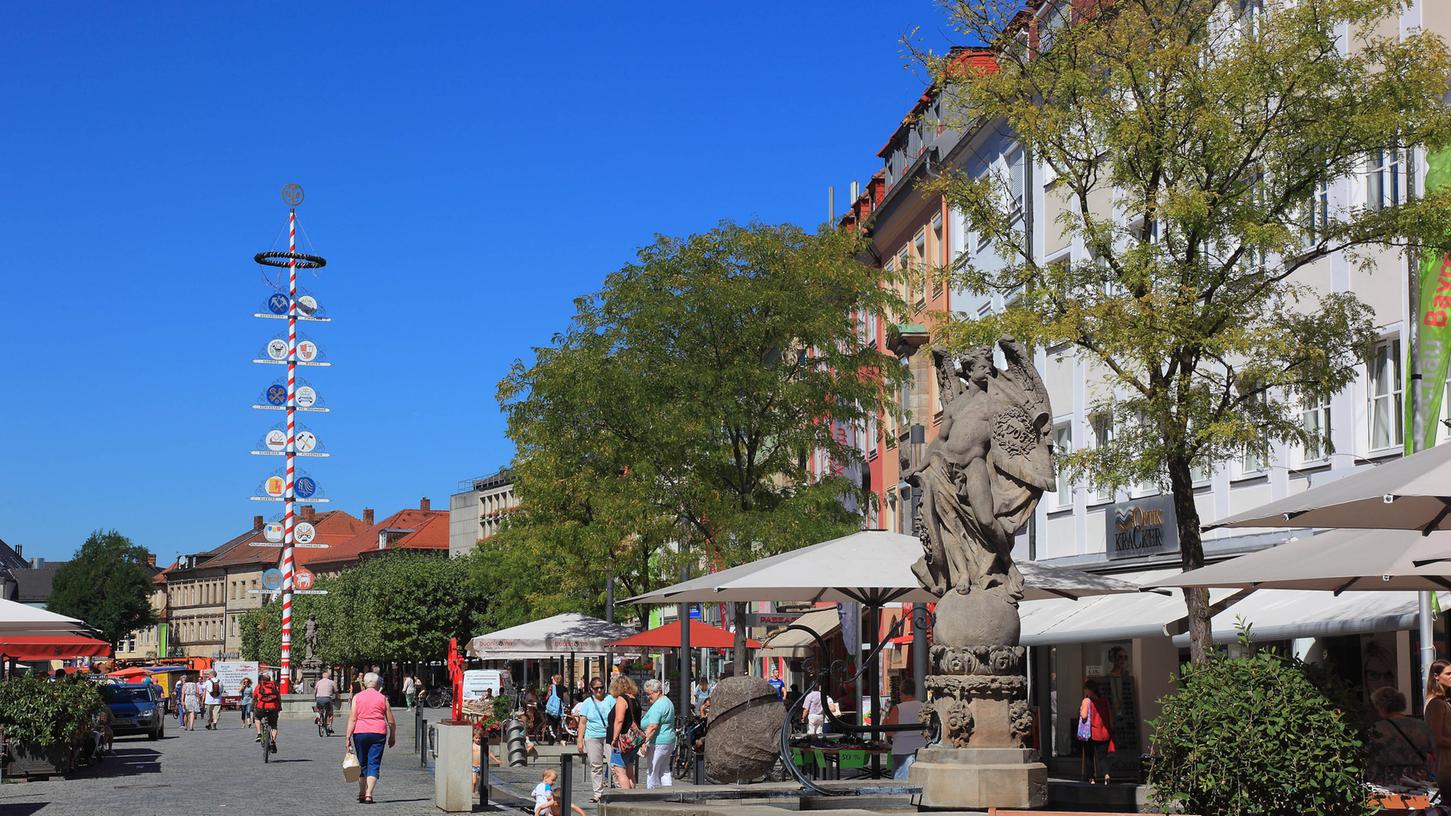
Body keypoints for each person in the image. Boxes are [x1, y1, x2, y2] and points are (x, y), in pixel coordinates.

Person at [345, 671, 396, 805]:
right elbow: (391, 720)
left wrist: (347, 737)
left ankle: (362, 792)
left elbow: (353, 718)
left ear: (365, 683)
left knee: (362, 762)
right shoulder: (382, 698)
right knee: (374, 762)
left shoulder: (357, 697)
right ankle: (369, 794)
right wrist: (392, 736)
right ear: (378, 684)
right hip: (378, 732)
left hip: (360, 732)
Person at [1368, 686, 1433, 786]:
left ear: (1381, 706)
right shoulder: (1421, 725)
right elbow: (1433, 752)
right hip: (1419, 778)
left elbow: (1371, 757)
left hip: (1389, 779)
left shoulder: (1377, 728)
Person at [574, 678, 615, 803]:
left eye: (601, 687)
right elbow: (582, 723)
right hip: (592, 736)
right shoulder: (587, 702)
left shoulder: (610, 700)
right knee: (595, 766)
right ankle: (598, 794)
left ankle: (620, 791)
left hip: (609, 736)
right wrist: (579, 740)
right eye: (596, 688)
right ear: (591, 689)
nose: (599, 690)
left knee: (614, 765)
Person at [884, 679, 926, 780]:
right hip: (922, 748)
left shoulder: (898, 708)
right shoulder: (924, 707)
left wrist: (885, 719)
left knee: (901, 784)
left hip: (902, 749)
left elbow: (890, 731)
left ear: (901, 692)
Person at [640, 678, 675, 789]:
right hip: (668, 740)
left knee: (653, 770)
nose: (648, 696)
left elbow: (652, 727)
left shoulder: (658, 705)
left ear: (658, 692)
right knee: (664, 770)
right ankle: (669, 793)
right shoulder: (667, 702)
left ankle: (652, 794)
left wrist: (644, 742)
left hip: (658, 742)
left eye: (649, 693)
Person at [609, 675, 642, 790]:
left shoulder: (622, 699)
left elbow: (619, 720)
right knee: (629, 771)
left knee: (620, 771)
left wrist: (614, 738)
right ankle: (633, 796)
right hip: (633, 741)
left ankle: (627, 799)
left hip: (623, 741)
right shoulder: (634, 699)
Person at [1078, 679, 1113, 784]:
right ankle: (1106, 774)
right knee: (1102, 757)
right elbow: (1110, 715)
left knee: (1089, 756)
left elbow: (1084, 716)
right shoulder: (1104, 700)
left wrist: (1081, 709)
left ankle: (1091, 778)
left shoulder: (1087, 701)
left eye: (1086, 690)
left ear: (1089, 690)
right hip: (1104, 733)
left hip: (1091, 733)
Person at [1424, 659, 1451, 784]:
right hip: (1444, 764)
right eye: (1448, 674)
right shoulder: (1437, 703)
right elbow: (1438, 738)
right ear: (1436, 676)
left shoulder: (1441, 701)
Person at [254, 670, 282, 750]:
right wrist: (279, 706)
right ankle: (273, 740)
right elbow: (278, 697)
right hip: (273, 707)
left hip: (261, 707)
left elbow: (255, 697)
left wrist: (253, 706)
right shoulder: (274, 686)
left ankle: (259, 734)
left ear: (262, 680)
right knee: (273, 725)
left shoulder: (259, 686)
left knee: (257, 717)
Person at [315, 668, 338, 735]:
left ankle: (318, 717)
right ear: (329, 677)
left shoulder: (318, 682)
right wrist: (336, 697)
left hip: (319, 698)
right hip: (327, 699)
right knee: (330, 713)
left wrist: (315, 698)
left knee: (318, 709)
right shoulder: (332, 682)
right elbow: (336, 691)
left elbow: (315, 691)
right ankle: (330, 726)